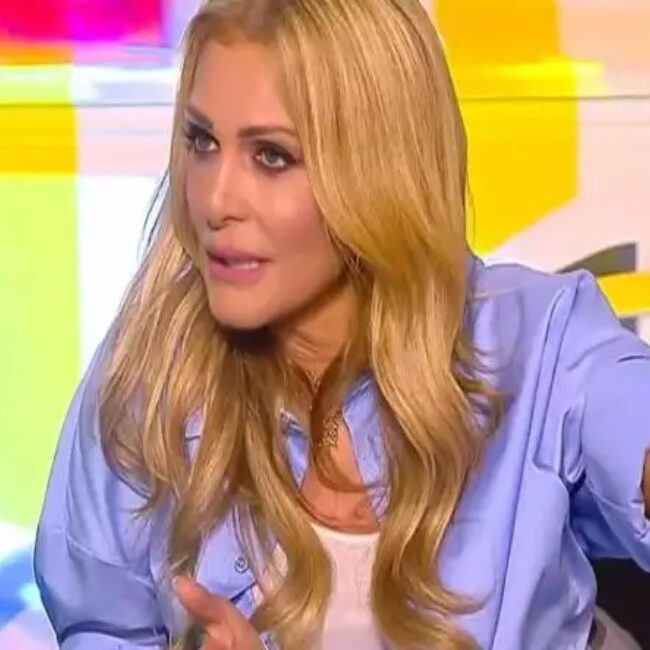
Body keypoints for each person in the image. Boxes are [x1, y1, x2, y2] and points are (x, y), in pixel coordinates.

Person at [33, 0, 650, 648]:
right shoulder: (149, 376)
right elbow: (103, 627)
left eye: (271, 157)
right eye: (202, 143)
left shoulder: (543, 341)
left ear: (378, 167)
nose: (215, 200)